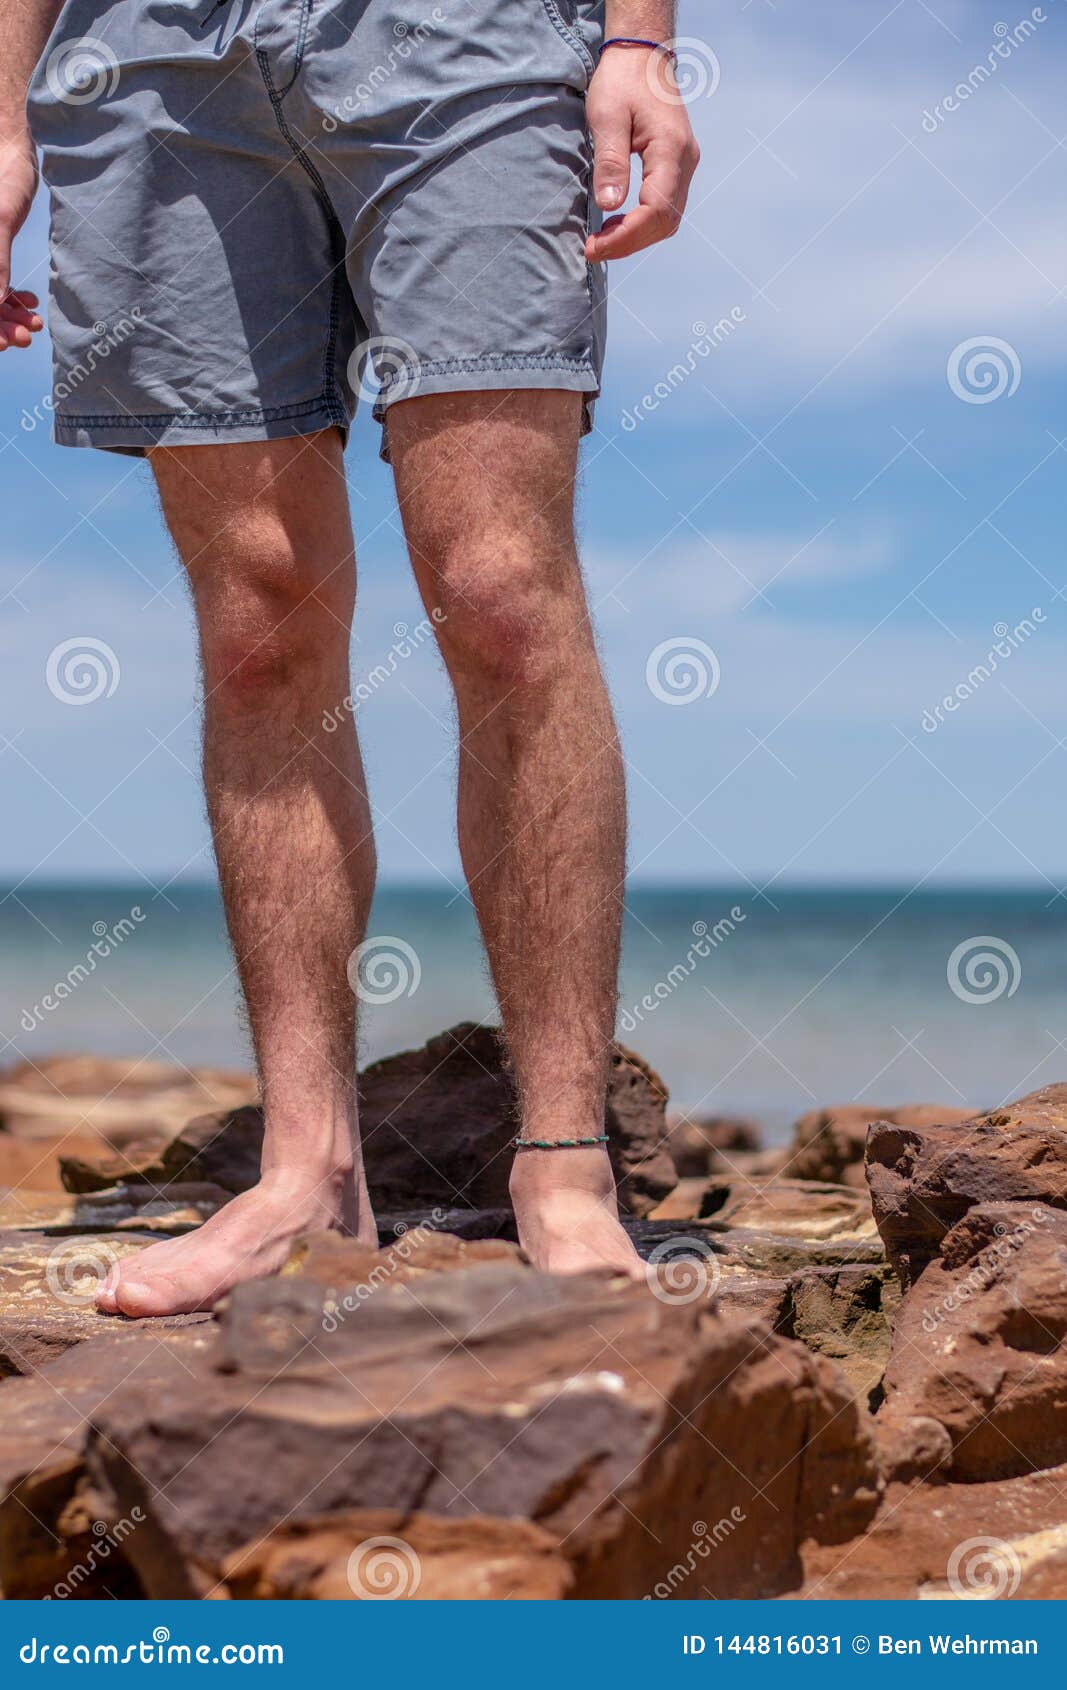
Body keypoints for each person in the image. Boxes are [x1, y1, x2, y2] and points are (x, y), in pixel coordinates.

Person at [1, 0, 699, 1314]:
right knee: (258, 619)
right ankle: (306, 1167)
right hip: (148, 54)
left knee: (498, 589)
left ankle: (560, 1160)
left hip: (464, 35)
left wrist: (637, 41)